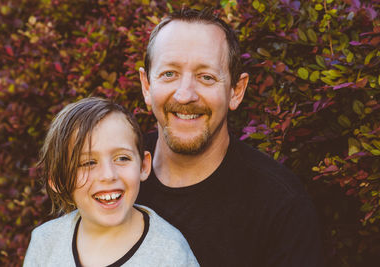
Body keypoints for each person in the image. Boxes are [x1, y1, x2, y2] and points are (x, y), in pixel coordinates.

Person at [137, 8, 323, 267]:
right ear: (147, 86)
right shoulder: (110, 181)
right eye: (169, 74)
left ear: (236, 91)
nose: (185, 95)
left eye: (206, 77)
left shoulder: (280, 206)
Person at [23, 97, 199, 267]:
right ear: (59, 181)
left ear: (144, 166)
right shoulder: (45, 242)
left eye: (122, 158)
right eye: (88, 163)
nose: (108, 175)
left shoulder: (170, 252)